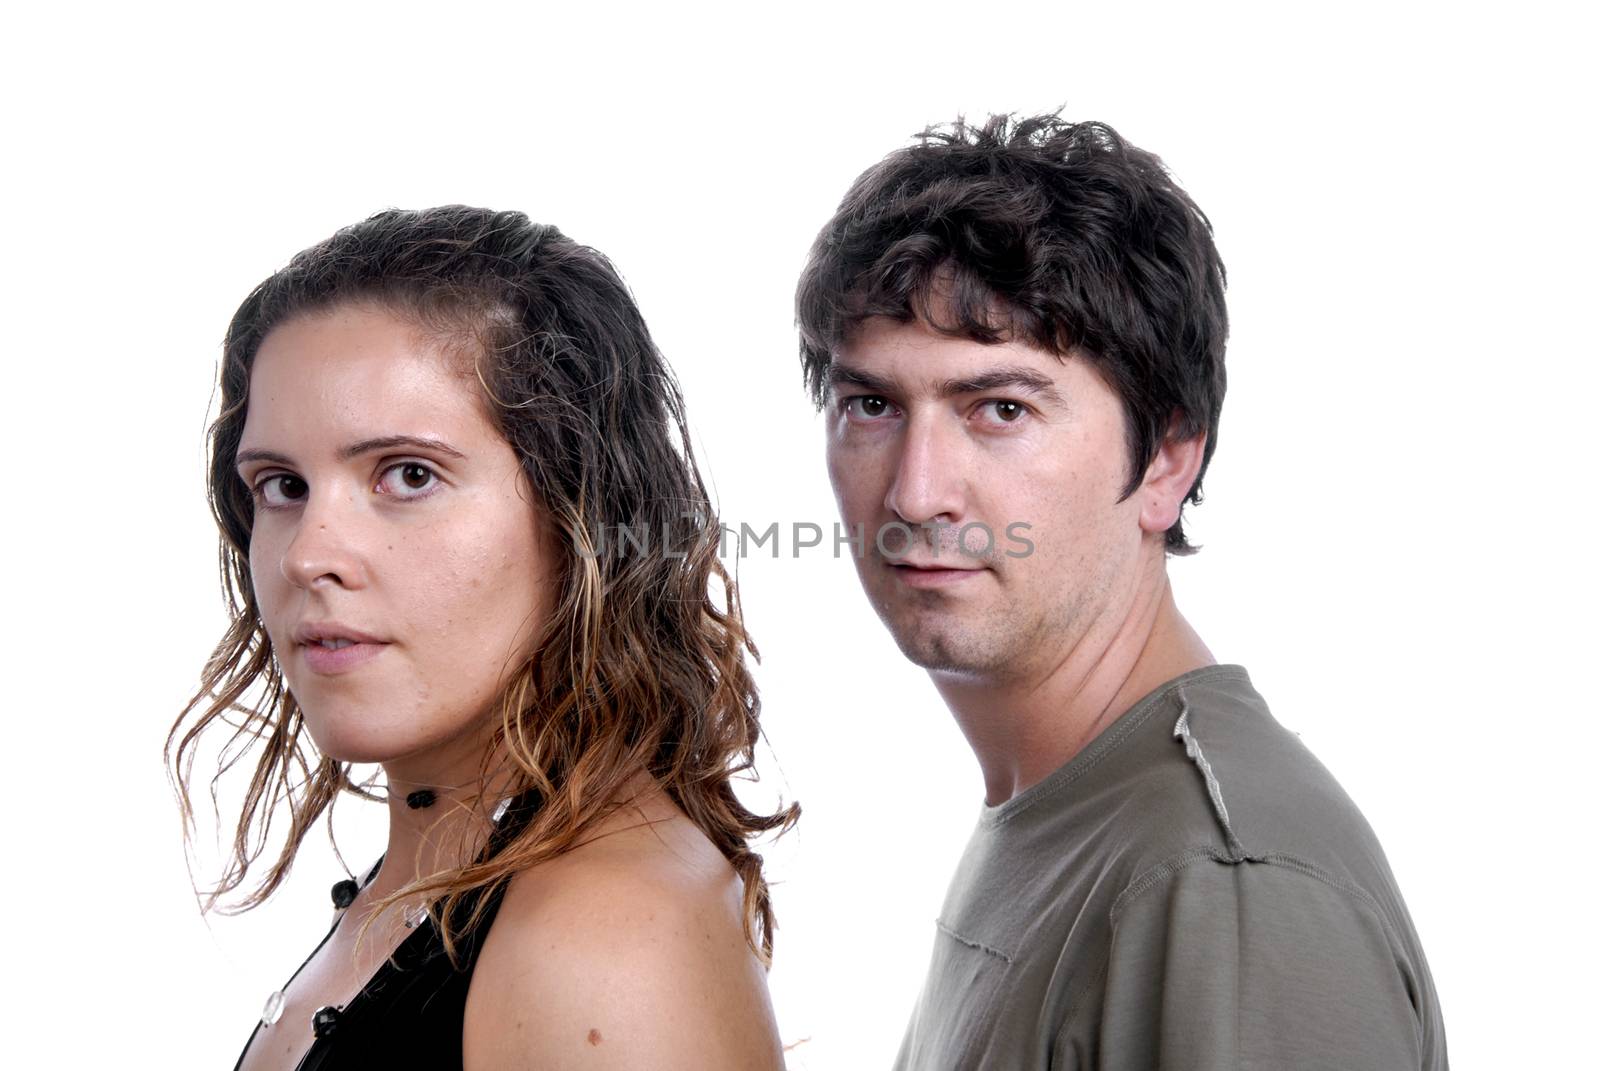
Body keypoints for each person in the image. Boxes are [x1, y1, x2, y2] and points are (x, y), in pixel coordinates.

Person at [794, 113, 1448, 1069]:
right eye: (873, 405)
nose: (916, 490)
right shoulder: (1074, 809)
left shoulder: (1224, 890)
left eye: (1001, 409)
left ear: (1168, 461)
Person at [167, 205, 796, 1070]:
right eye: (281, 485)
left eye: (408, 474)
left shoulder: (601, 938)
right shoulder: (456, 877)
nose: (310, 553)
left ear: (580, 514)